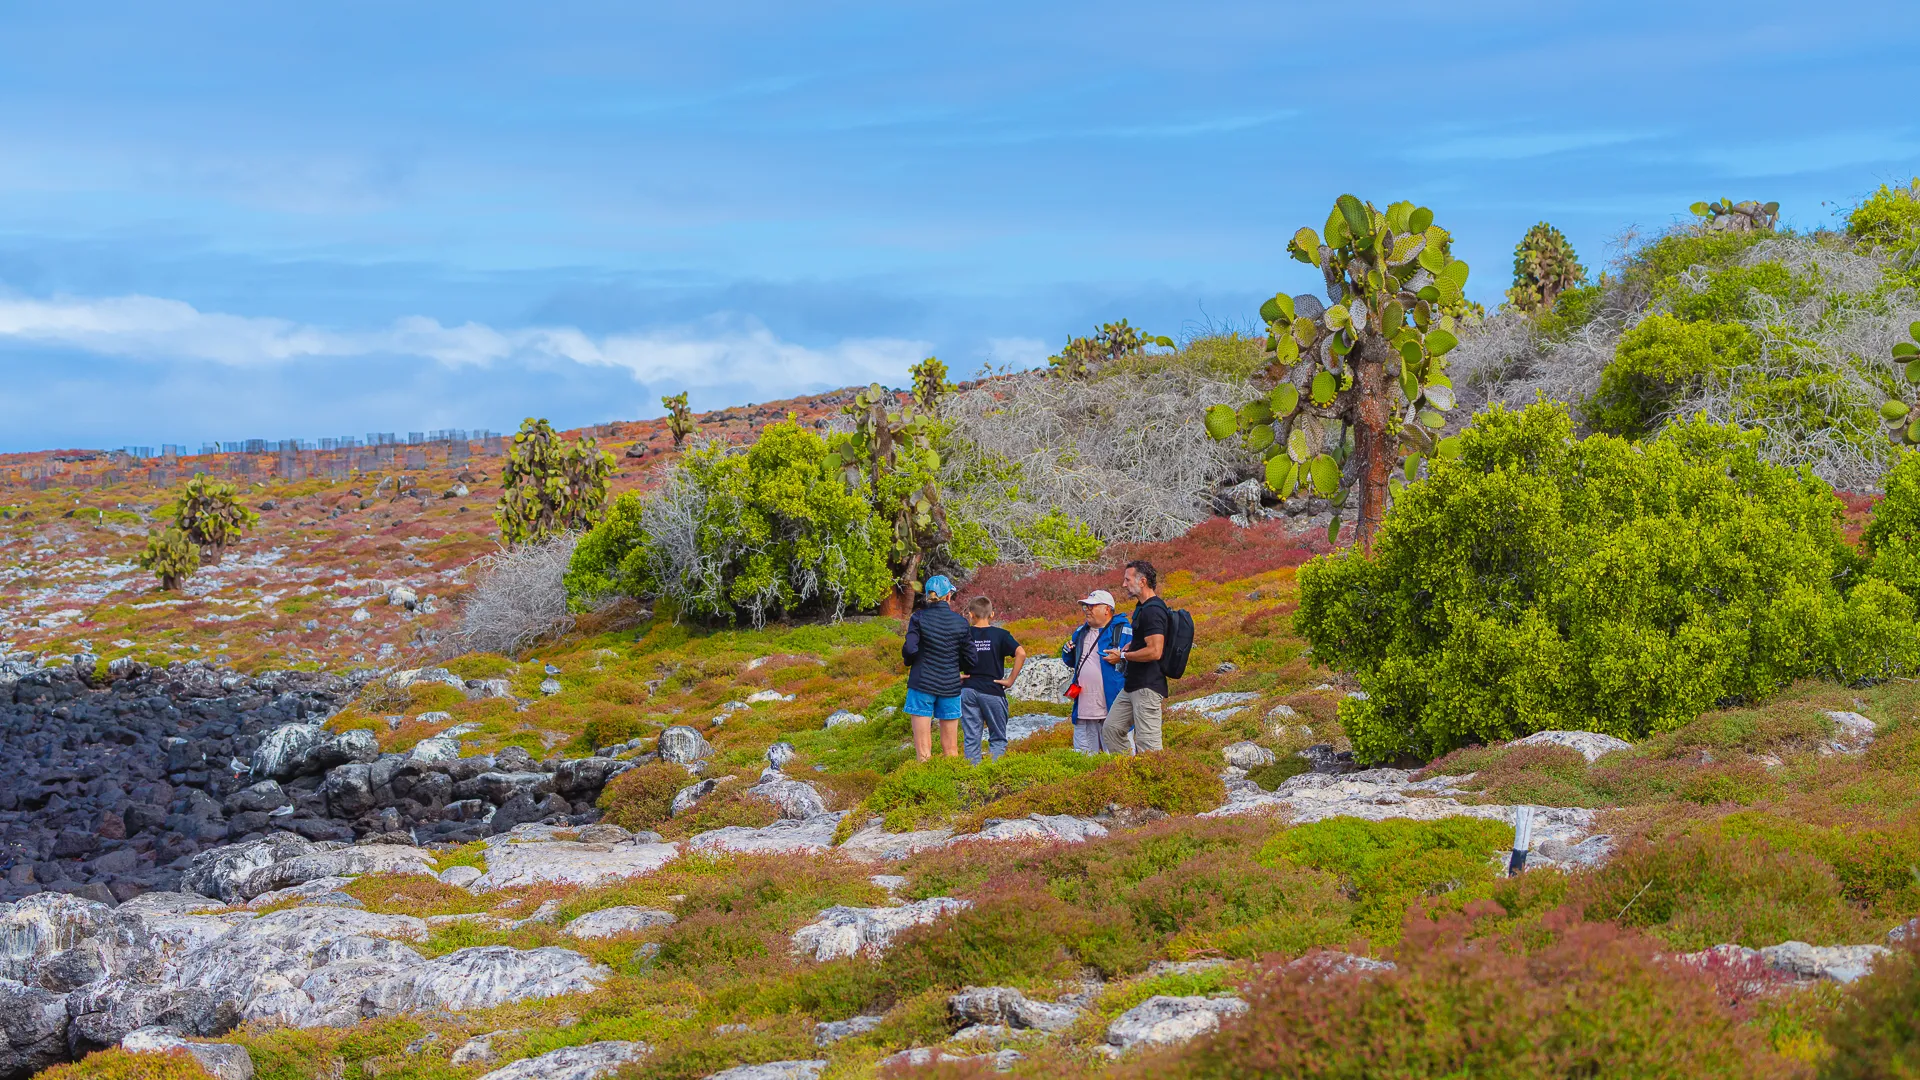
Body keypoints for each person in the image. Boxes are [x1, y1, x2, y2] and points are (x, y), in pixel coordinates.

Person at [1103, 560, 1169, 753]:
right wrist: (1133, 645)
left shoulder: (1154, 610)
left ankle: (1152, 781)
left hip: (1148, 687)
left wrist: (1123, 655)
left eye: (1127, 579)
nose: (1124, 584)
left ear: (1142, 581)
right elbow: (1145, 640)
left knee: (1149, 747)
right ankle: (1128, 776)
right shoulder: (1141, 608)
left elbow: (1155, 651)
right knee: (1112, 729)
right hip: (1132, 685)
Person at [901, 575, 969, 761]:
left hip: (921, 683)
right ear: (948, 596)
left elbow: (910, 648)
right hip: (951, 685)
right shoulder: (961, 622)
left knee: (923, 752)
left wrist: (911, 662)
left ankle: (925, 786)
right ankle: (952, 785)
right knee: (951, 750)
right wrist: (958, 668)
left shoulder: (918, 618)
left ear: (927, 596)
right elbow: (971, 657)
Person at [1060, 589, 1131, 754]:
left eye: (1092, 606)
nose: (1087, 610)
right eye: (1085, 607)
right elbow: (1072, 662)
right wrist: (1067, 652)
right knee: (1084, 758)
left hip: (1113, 705)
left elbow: (1137, 659)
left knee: (1119, 756)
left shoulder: (1123, 630)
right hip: (1084, 708)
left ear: (1107, 609)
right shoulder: (1080, 632)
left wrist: (1121, 657)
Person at [958, 596, 1025, 764]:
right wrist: (1010, 680)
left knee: (972, 738)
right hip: (992, 690)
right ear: (992, 614)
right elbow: (1021, 653)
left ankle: (972, 776)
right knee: (997, 737)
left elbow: (947, 656)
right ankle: (993, 773)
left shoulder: (964, 635)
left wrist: (955, 675)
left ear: (970, 615)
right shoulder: (1001, 635)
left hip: (968, 689)